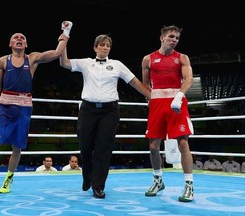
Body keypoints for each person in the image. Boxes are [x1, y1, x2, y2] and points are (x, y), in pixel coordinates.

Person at [0, 21, 73, 195]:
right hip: (5, 105)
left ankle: (8, 178)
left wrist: (66, 31)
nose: (19, 39)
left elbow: (57, 53)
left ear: (26, 44)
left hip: (24, 107)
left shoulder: (32, 58)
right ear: (11, 44)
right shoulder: (2, 61)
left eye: (22, 37)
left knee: (17, 146)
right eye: (16, 37)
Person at [59, 33, 151, 199]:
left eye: (108, 45)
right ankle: (87, 176)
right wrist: (64, 40)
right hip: (88, 110)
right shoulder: (86, 63)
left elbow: (135, 82)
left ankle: (98, 186)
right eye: (102, 45)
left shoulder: (117, 65)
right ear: (95, 47)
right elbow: (64, 63)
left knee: (103, 149)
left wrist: (152, 98)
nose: (105, 48)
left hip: (110, 112)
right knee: (85, 147)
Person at [142, 25, 194, 202]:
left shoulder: (182, 58)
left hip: (176, 102)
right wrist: (151, 99)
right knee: (153, 146)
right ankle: (158, 180)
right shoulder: (148, 59)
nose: (174, 40)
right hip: (157, 103)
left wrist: (179, 95)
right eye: (171, 36)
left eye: (177, 38)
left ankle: (189, 185)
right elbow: (146, 84)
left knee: (183, 144)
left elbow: (188, 79)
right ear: (162, 38)